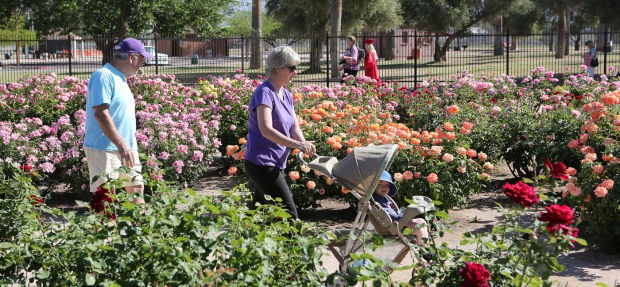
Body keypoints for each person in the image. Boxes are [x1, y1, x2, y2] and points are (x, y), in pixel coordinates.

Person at [244, 46, 316, 219]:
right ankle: (296, 245)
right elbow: (266, 130)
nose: (295, 72)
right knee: (288, 214)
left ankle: (239, 241)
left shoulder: (286, 94)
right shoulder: (264, 93)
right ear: (277, 67)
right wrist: (297, 144)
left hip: (275, 162)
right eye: (291, 68)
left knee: (256, 215)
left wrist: (304, 144)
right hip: (262, 163)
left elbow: (293, 126)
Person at [83, 38, 153, 205]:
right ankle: (105, 231)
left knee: (136, 189)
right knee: (104, 198)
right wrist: (121, 145)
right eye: (142, 59)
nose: (142, 64)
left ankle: (140, 229)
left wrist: (126, 146)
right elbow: (100, 113)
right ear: (131, 57)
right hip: (104, 148)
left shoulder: (121, 78)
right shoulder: (103, 76)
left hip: (127, 148)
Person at [373, 171, 429, 246]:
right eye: (380, 184)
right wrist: (405, 221)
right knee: (420, 229)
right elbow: (388, 214)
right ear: (374, 186)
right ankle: (424, 249)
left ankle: (423, 244)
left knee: (421, 221)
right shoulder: (377, 201)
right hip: (392, 228)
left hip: (396, 224)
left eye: (387, 185)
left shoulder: (383, 198)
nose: (384, 187)